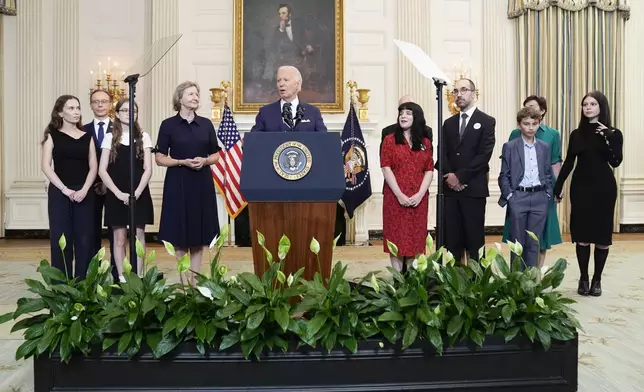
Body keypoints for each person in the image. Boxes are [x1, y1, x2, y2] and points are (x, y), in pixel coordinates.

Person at [554, 90, 623, 297]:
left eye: (593, 104)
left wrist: (610, 138)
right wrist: (558, 186)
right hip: (581, 188)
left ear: (601, 107)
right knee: (582, 236)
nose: (588, 107)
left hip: (604, 189)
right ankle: (584, 277)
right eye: (585, 104)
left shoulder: (613, 133)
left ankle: (597, 279)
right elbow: (568, 163)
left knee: (602, 236)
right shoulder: (577, 134)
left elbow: (616, 161)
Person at [155, 81, 222, 285]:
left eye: (197, 94)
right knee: (180, 233)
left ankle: (194, 281)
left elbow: (216, 154)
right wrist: (181, 162)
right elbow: (159, 157)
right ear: (180, 98)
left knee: (199, 233)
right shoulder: (168, 125)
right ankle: (185, 282)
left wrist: (205, 160)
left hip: (201, 183)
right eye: (191, 94)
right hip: (178, 182)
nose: (195, 97)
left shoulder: (206, 124)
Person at [435, 78, 496, 262]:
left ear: (473, 93)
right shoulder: (448, 123)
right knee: (453, 242)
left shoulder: (486, 121)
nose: (459, 94)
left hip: (473, 190)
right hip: (450, 192)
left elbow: (483, 155)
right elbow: (442, 153)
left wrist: (460, 177)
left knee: (475, 241)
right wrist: (450, 177)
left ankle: (477, 284)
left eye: (463, 90)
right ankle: (455, 285)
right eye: (455, 91)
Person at [41, 95, 98, 279]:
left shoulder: (87, 136)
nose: (76, 112)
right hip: (60, 193)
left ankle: (83, 286)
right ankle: (61, 290)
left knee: (84, 239)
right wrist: (65, 190)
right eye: (71, 108)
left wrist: (84, 190)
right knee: (60, 239)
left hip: (84, 193)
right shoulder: (52, 135)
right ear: (60, 112)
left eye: (78, 108)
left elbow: (93, 166)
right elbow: (45, 166)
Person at [502, 96, 562, 268]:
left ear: (539, 122)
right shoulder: (510, 146)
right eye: (526, 124)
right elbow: (504, 174)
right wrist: (510, 195)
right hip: (518, 196)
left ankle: (531, 283)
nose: (530, 127)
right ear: (520, 124)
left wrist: (548, 193)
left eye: (534, 124)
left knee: (534, 242)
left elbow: (548, 172)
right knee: (517, 243)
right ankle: (516, 281)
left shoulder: (544, 146)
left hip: (539, 198)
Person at [98, 98, 154, 282]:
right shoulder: (109, 137)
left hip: (139, 192)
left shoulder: (143, 137)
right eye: (124, 110)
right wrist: (117, 193)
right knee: (119, 238)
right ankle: (122, 277)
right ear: (117, 113)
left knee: (138, 236)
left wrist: (137, 192)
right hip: (116, 194)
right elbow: (102, 170)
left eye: (133, 111)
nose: (129, 114)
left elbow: (148, 169)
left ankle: (138, 276)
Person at [381, 102, 434, 272]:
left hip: (418, 199)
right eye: (401, 113)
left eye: (408, 113)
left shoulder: (425, 142)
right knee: (396, 239)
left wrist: (420, 194)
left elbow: (429, 170)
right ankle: (398, 283)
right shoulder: (390, 140)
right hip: (395, 198)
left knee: (415, 240)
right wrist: (399, 194)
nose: (403, 116)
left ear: (416, 117)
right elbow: (385, 167)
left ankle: (412, 282)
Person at [84, 89, 117, 278]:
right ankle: (93, 271)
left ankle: (115, 270)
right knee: (90, 229)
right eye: (96, 102)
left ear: (110, 104)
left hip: (113, 187)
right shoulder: (82, 129)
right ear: (91, 105)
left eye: (104, 101)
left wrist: (108, 182)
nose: (100, 105)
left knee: (115, 231)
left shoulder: (121, 129)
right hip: (90, 188)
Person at [250, 65, 327, 132]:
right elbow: (253, 141)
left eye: (286, 80)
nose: (281, 84)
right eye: (278, 80)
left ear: (297, 84)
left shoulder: (313, 112)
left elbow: (324, 140)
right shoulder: (265, 113)